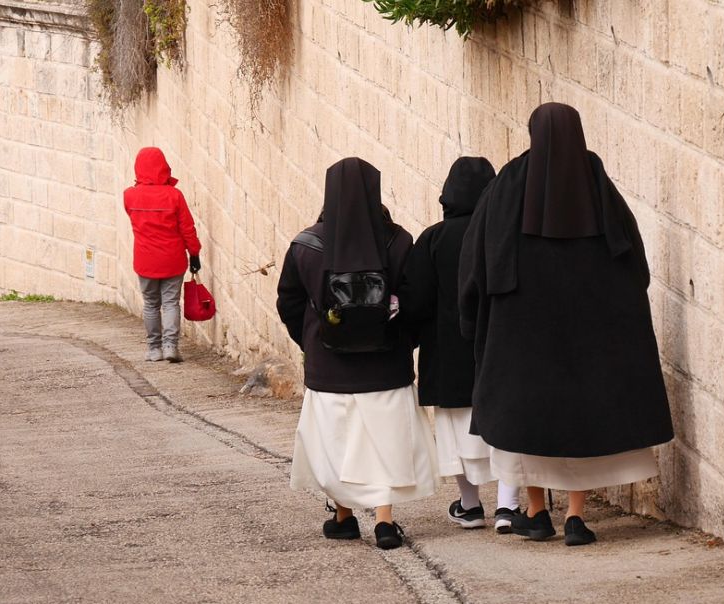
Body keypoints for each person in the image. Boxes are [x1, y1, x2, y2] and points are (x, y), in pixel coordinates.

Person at [457, 103, 674, 546]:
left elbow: (476, 259)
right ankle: (576, 517)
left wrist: (472, 317)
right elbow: (634, 260)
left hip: (521, 333)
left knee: (528, 424)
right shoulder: (596, 182)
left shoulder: (506, 186)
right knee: (581, 421)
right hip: (590, 331)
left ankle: (536, 513)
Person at [276, 157, 440, 550]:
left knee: (337, 442)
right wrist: (402, 339)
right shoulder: (398, 241)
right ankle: (385, 522)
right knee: (383, 443)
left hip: (328, 369)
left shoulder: (306, 246)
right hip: (385, 367)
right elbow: (418, 302)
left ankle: (344, 517)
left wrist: (313, 341)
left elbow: (289, 303)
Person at [399, 157, 521, 533]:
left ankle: (470, 506)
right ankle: (508, 506)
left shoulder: (434, 238)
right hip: (499, 348)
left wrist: (413, 339)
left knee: (456, 431)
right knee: (506, 428)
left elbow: (414, 300)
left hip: (449, 354)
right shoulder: (505, 232)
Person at [123, 147, 202, 363]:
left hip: (145, 259)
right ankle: (170, 347)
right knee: (170, 303)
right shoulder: (174, 196)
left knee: (150, 303)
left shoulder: (130, 196)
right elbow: (188, 228)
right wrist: (194, 253)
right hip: (173, 258)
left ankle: (154, 348)